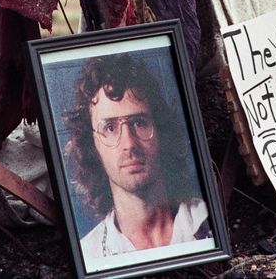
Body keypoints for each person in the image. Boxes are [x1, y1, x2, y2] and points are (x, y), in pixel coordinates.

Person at [63, 54, 211, 260]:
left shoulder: (207, 220)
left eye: (139, 123)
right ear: (93, 145)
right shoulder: (89, 254)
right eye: (110, 128)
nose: (129, 144)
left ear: (160, 130)